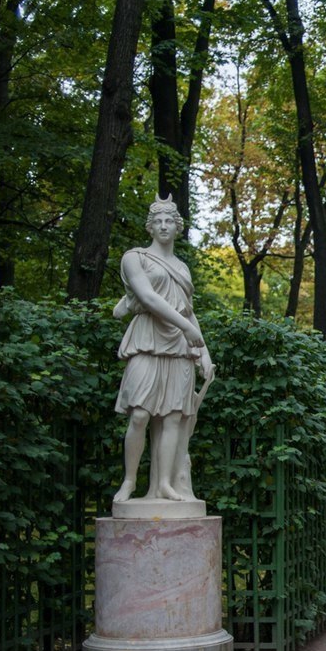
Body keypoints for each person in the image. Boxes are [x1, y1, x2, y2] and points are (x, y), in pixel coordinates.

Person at [113, 195, 214, 503]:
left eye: (169, 220)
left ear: (178, 227)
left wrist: (204, 352)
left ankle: (166, 485)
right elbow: (148, 298)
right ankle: (129, 481)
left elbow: (188, 310)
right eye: (157, 221)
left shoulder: (182, 267)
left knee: (173, 418)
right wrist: (186, 327)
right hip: (147, 338)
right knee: (140, 414)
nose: (163, 226)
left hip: (181, 346)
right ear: (149, 227)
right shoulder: (135, 257)